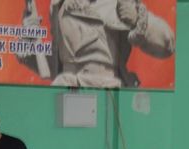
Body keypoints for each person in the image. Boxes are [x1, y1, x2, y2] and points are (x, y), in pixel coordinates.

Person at [17, 0, 175, 88]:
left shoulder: (120, 3)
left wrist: (136, 19)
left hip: (107, 90)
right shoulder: (60, 5)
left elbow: (167, 43)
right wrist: (30, 38)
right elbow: (56, 66)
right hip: (66, 89)